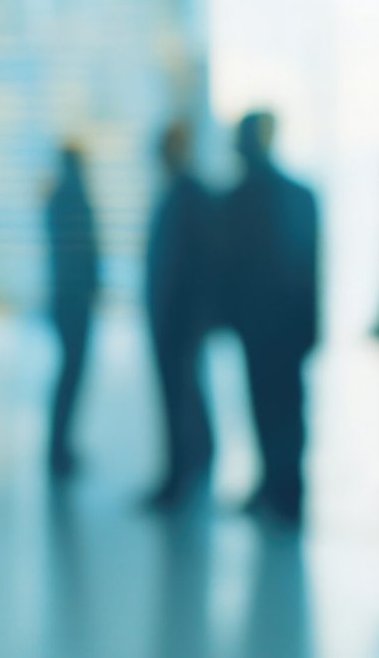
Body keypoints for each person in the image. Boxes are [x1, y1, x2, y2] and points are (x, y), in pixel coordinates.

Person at [221, 111, 319, 526]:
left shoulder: (240, 199)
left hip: (265, 328)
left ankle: (284, 491)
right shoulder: (299, 195)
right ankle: (281, 489)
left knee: (272, 408)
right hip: (278, 328)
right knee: (280, 408)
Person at [141, 121, 216, 510]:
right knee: (184, 395)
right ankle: (191, 467)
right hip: (172, 318)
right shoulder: (179, 194)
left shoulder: (188, 196)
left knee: (178, 399)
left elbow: (192, 265)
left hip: (179, 320)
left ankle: (179, 477)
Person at [45, 143, 99, 478]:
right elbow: (81, 253)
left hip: (68, 299)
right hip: (73, 301)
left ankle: (60, 447)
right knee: (71, 374)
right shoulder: (71, 198)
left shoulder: (60, 197)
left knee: (70, 374)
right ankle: (59, 450)